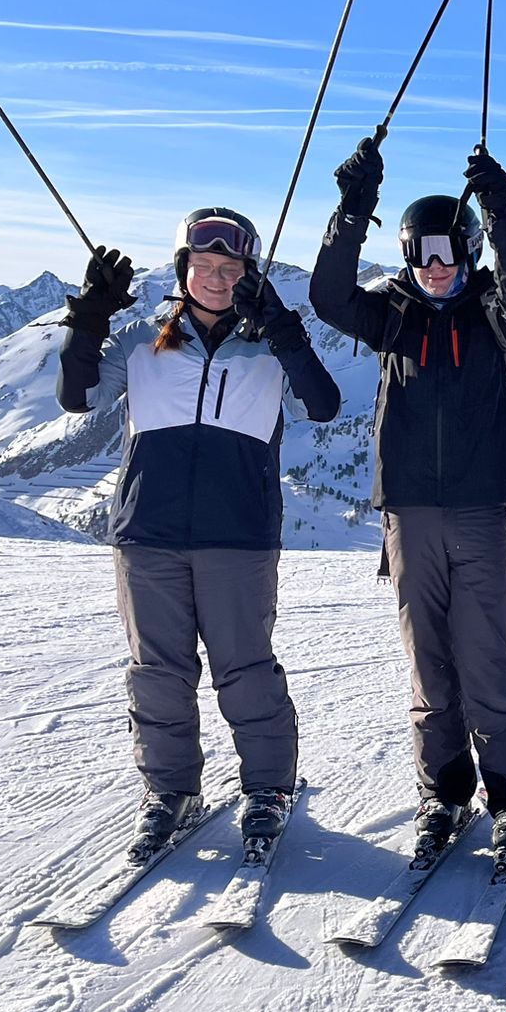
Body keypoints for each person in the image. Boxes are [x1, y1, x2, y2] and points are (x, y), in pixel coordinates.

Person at [57, 208, 342, 854]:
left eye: (230, 268)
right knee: (157, 670)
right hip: (146, 533)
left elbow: (322, 406)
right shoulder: (142, 340)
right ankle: (171, 790)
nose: (215, 278)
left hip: (237, 536)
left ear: (249, 275)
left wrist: (285, 330)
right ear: (183, 270)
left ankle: (268, 788)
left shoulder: (267, 344)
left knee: (244, 669)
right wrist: (90, 317)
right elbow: (77, 396)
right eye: (204, 266)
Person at [309, 136, 506, 859]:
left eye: (450, 252)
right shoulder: (394, 316)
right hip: (409, 516)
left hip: (479, 514)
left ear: (470, 252)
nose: (437, 268)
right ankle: (442, 792)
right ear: (409, 256)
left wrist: (503, 212)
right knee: (429, 665)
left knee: (486, 661)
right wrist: (355, 210)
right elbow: (327, 297)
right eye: (423, 254)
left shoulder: (493, 317)